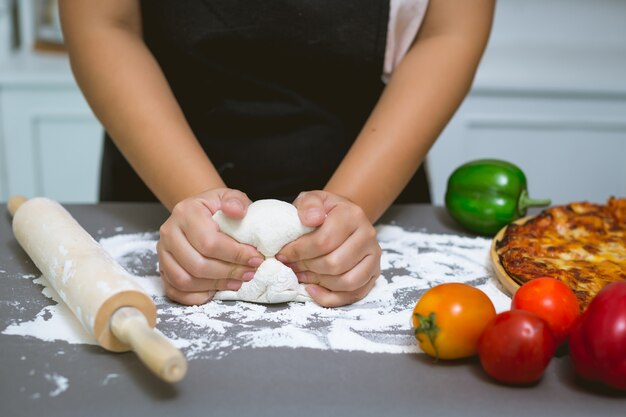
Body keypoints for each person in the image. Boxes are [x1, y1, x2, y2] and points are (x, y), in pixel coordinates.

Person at [59, 0, 495, 307]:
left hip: (371, 162)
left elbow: (449, 30)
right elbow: (103, 23)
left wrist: (349, 208)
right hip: (163, 169)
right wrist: (199, 204)